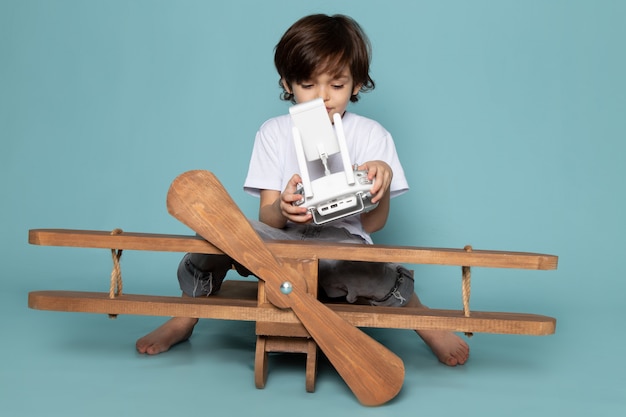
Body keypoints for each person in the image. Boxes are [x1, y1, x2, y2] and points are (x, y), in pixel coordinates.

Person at [136, 13, 469, 366]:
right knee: (221, 231)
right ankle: (186, 315)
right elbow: (267, 218)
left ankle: (423, 319)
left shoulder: (372, 136)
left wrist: (380, 184)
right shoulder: (273, 133)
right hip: (280, 247)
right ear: (288, 82)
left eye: (337, 86)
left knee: (359, 267)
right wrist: (283, 207)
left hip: (340, 246)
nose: (322, 97)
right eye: (309, 85)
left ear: (356, 85)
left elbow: (373, 226)